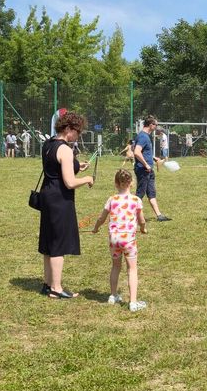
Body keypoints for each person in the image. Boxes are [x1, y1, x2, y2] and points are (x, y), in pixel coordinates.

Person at [38, 112, 93, 299]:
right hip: (59, 200)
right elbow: (69, 182)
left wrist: (77, 166)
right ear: (68, 128)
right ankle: (56, 288)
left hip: (47, 196)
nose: (78, 135)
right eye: (77, 131)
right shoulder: (66, 150)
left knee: (49, 241)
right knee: (58, 244)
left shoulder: (48, 144)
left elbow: (56, 167)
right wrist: (87, 178)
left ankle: (47, 284)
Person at [92, 169, 147, 312]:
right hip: (128, 239)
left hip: (114, 239)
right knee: (132, 269)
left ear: (116, 183)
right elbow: (142, 220)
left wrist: (96, 228)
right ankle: (133, 302)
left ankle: (113, 295)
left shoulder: (112, 199)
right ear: (132, 183)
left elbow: (101, 218)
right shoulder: (136, 200)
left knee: (116, 266)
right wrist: (143, 228)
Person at [134, 116, 171, 222]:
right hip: (143, 170)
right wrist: (146, 164)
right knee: (140, 194)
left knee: (151, 193)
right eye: (155, 125)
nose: (156, 127)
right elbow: (136, 152)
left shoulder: (145, 136)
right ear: (150, 125)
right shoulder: (143, 136)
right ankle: (130, 215)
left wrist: (153, 158)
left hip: (149, 170)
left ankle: (159, 216)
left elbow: (142, 151)